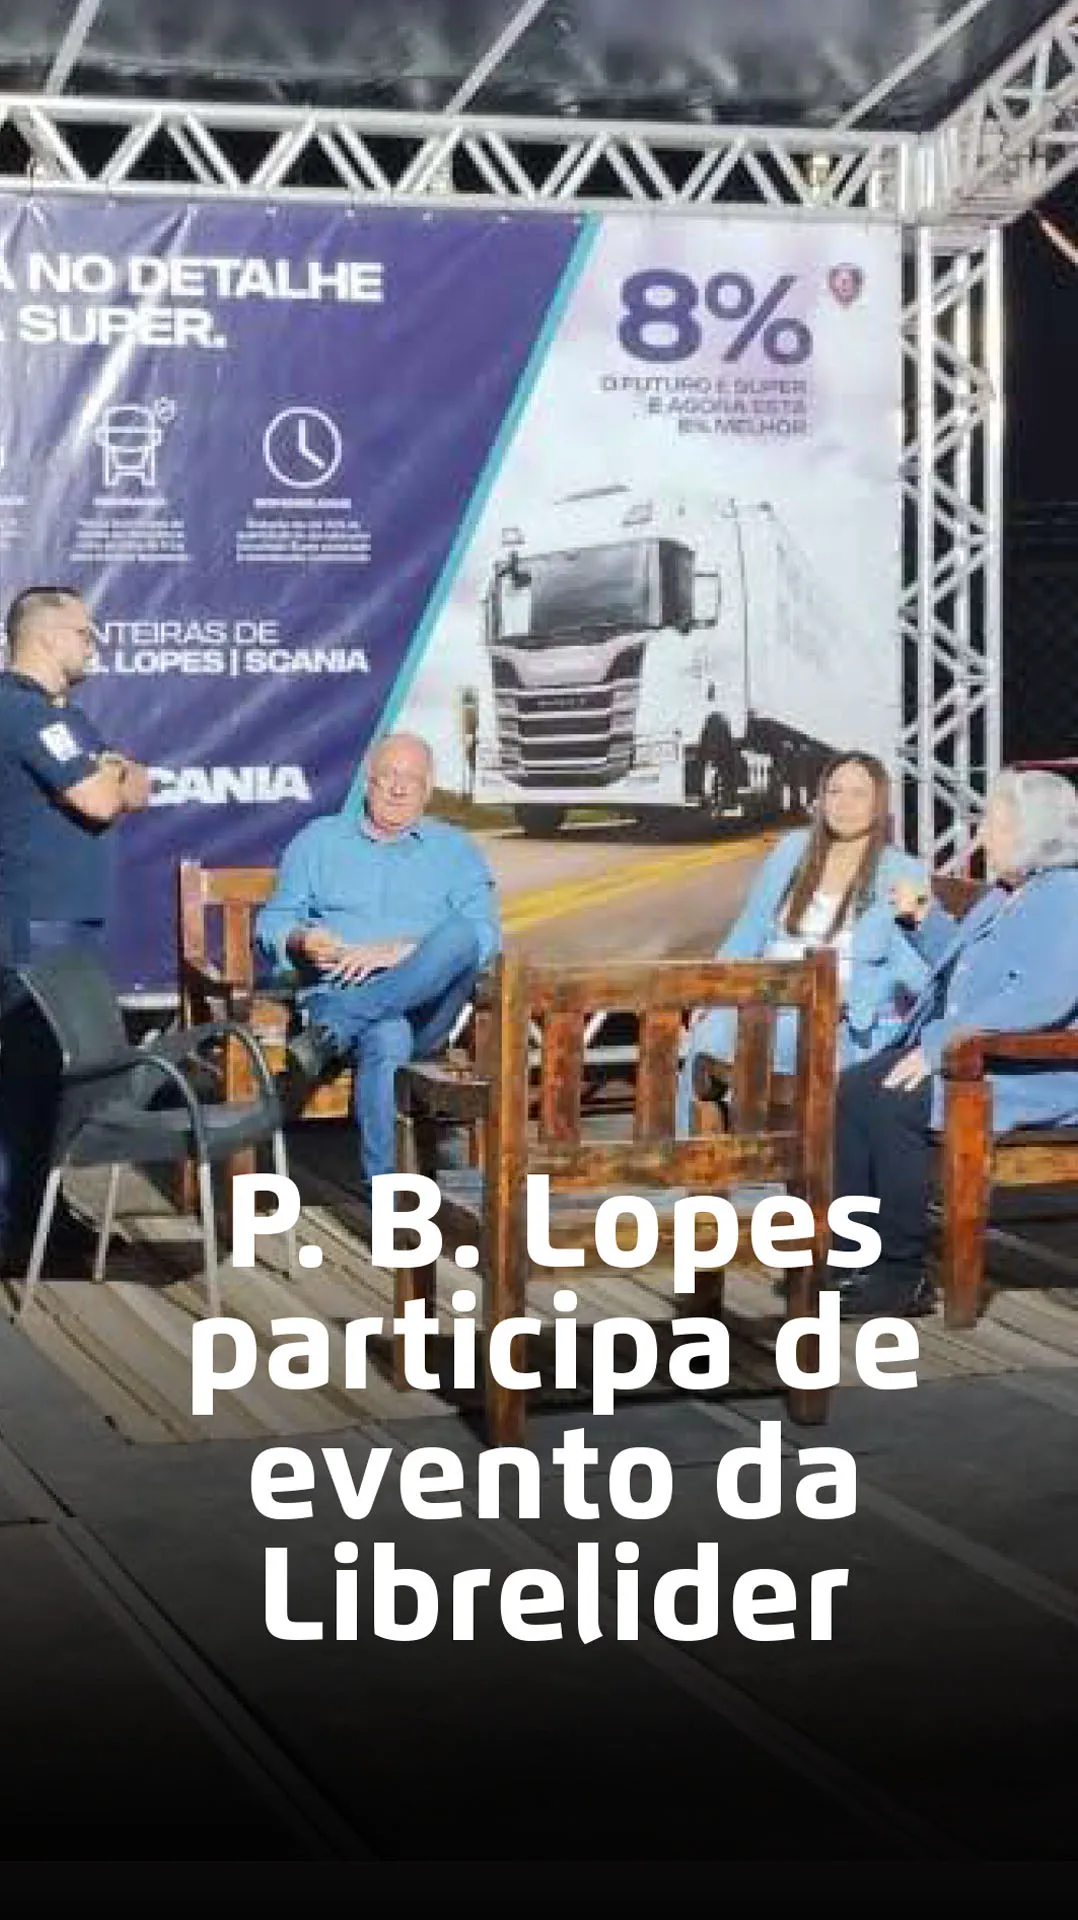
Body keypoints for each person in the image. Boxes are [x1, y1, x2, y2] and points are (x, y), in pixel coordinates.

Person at [830, 767, 1078, 1321]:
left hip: (1032, 1072)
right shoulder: (1007, 894)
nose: (983, 834)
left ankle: (901, 1274)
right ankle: (853, 1259)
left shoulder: (1067, 898)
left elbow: (1040, 999)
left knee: (893, 1103)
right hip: (979, 1059)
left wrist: (938, 1045)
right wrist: (922, 919)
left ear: (1035, 830)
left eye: (996, 823)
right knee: (854, 1089)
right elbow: (966, 970)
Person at [255, 731, 500, 1189]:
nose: (399, 788)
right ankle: (385, 1200)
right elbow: (271, 923)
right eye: (389, 775)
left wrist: (401, 952)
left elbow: (486, 937)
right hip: (340, 988)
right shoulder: (319, 841)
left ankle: (334, 1030)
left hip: (426, 1011)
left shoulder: (455, 850)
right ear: (369, 781)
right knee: (387, 1034)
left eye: (412, 779)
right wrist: (303, 939)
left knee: (461, 935)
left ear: (428, 789)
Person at [0, 586, 150, 1273]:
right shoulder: (25, 713)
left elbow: (136, 783)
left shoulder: (67, 717)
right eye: (85, 634)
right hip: (35, 929)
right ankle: (16, 1232)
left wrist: (114, 772)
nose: (94, 645)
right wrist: (109, 775)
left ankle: (43, 1216)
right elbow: (98, 799)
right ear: (46, 636)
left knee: (57, 1083)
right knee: (29, 1080)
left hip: (67, 927)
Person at [678, 751, 930, 1128]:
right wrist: (713, 990)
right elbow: (750, 929)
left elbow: (911, 969)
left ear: (879, 804)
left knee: (748, 1038)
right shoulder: (792, 850)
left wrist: (846, 996)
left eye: (858, 794)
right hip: (771, 998)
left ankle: (765, 1146)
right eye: (835, 792)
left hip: (842, 1015)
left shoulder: (902, 870)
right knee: (710, 1029)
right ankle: (688, 1151)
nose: (844, 804)